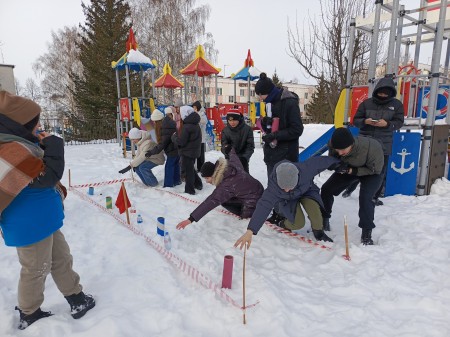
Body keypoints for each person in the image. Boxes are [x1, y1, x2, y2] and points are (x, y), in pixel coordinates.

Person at [0, 91, 95, 330]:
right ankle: (29, 311)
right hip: (28, 224)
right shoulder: (10, 149)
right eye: (35, 122)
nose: (40, 126)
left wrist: (43, 144)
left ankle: (76, 297)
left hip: (44, 219)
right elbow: (46, 176)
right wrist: (54, 146)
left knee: (61, 258)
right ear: (19, 125)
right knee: (35, 269)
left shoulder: (23, 143)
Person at [234, 156, 340, 249]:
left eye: (289, 187)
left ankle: (319, 233)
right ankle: (282, 223)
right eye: (283, 188)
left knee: (315, 211)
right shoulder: (273, 188)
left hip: (306, 191)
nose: (286, 190)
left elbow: (323, 161)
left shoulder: (306, 169)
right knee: (298, 223)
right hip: (289, 200)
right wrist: (250, 230)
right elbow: (263, 206)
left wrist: (340, 163)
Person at [342, 78, 404, 205]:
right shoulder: (366, 103)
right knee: (357, 166)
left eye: (385, 94)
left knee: (380, 172)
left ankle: (374, 197)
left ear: (391, 93)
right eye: (380, 93)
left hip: (384, 143)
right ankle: (350, 187)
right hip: (365, 142)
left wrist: (387, 124)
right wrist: (365, 121)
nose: (383, 96)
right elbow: (356, 120)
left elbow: (399, 122)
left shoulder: (397, 105)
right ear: (376, 91)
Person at [320, 127, 384, 245]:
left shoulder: (372, 148)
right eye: (337, 150)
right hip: (349, 169)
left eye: (342, 150)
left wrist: (352, 171)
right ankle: (324, 220)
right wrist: (336, 165)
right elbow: (332, 160)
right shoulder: (333, 144)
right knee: (326, 189)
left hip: (372, 172)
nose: (339, 152)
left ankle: (366, 233)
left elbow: (375, 169)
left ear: (352, 144)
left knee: (366, 198)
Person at [255, 72, 304, 224]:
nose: (259, 98)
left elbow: (297, 130)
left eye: (260, 95)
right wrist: (264, 124)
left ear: (267, 93)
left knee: (285, 187)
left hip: (286, 154)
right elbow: (272, 126)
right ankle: (277, 213)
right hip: (272, 152)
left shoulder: (288, 103)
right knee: (273, 185)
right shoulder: (270, 104)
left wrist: (276, 135)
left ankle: (287, 217)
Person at [176, 148, 264, 230]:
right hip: (257, 188)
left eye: (207, 178)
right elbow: (234, 157)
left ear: (213, 174)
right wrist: (230, 149)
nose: (207, 181)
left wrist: (191, 219)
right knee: (225, 200)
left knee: (245, 219)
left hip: (254, 200)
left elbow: (211, 201)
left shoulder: (227, 184)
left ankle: (248, 212)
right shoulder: (230, 166)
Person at [145, 108, 181, 187]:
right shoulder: (168, 123)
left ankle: (168, 185)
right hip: (176, 148)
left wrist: (151, 152)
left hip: (172, 150)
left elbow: (162, 144)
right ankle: (177, 181)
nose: (153, 123)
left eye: (154, 121)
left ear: (157, 121)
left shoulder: (165, 127)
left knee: (169, 167)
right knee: (175, 165)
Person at [172, 105, 203, 195]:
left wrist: (174, 137)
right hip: (193, 151)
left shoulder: (187, 126)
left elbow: (181, 142)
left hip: (187, 152)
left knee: (188, 172)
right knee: (191, 169)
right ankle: (198, 184)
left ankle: (190, 190)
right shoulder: (194, 123)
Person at [220, 108, 254, 173]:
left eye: (234, 120)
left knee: (244, 180)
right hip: (230, 160)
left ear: (239, 119)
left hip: (243, 160)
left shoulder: (247, 129)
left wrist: (244, 158)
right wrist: (226, 150)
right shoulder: (225, 130)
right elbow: (223, 145)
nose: (232, 122)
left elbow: (250, 146)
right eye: (230, 120)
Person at [192, 101, 208, 172]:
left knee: (201, 154)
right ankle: (197, 167)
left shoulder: (202, 114)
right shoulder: (194, 114)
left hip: (201, 138)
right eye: (193, 107)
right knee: (196, 153)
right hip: (195, 138)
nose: (193, 108)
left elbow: (204, 121)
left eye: (194, 107)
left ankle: (201, 167)